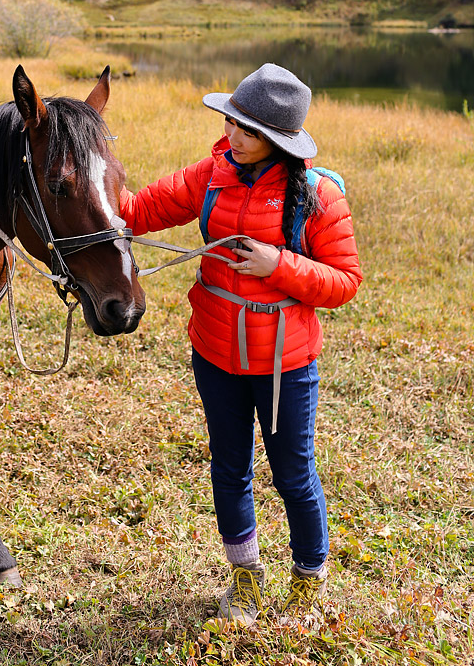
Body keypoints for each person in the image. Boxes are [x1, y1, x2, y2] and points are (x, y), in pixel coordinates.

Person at [119, 63, 362, 625]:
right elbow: (143, 209)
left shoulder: (317, 196)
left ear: (277, 140)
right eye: (231, 122)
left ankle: (308, 578)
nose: (232, 136)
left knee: (293, 473)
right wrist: (84, 186)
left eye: (247, 131)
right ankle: (245, 579)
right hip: (215, 353)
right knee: (229, 469)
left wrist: (277, 264)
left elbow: (345, 281)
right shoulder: (212, 175)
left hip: (286, 365)